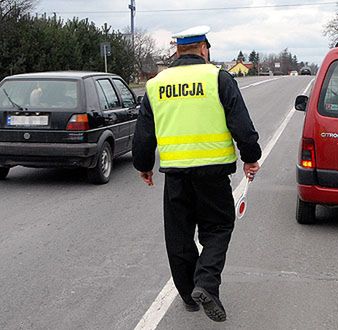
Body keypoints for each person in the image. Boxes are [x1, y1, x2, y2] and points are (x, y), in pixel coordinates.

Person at [132, 25, 261, 322]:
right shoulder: (218, 78)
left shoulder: (156, 84)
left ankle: (189, 295)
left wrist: (143, 166)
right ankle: (205, 283)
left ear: (178, 51)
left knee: (178, 236)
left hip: (176, 174)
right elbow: (241, 124)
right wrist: (251, 157)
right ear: (204, 49)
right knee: (218, 228)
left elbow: (144, 134)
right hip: (213, 174)